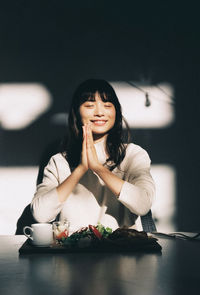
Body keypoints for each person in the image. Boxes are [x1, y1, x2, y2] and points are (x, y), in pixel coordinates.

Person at [31, 79, 155, 233]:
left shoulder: (132, 154)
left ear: (116, 112)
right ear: (77, 112)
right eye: (90, 105)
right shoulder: (59, 161)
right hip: (72, 253)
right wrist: (80, 170)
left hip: (120, 251)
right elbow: (40, 214)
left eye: (107, 105)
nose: (100, 112)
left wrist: (98, 168)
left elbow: (143, 205)